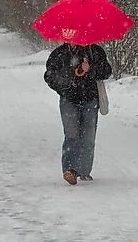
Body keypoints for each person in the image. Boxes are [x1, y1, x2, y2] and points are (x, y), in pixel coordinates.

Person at [43, 43, 112, 185]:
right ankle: (69, 170)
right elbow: (49, 76)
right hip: (69, 100)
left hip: (90, 100)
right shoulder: (60, 53)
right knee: (71, 134)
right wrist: (66, 83)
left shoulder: (95, 51)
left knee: (88, 136)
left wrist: (90, 69)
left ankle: (84, 171)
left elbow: (106, 71)